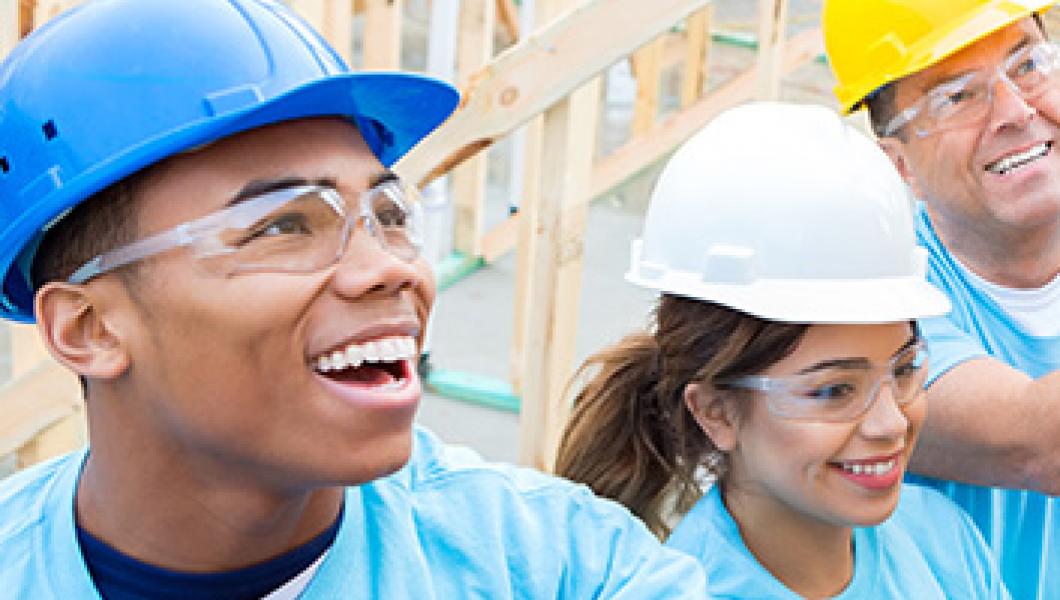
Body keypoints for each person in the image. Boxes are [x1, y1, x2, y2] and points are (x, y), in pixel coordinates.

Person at [0, 1, 708, 597]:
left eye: (391, 214)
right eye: (282, 225)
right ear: (88, 327)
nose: (387, 269)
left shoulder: (556, 569)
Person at [554, 102, 1007, 598]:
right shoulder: (681, 590)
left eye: (902, 371)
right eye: (834, 390)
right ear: (716, 412)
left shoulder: (941, 538)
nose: (892, 424)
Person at [822, 1, 1060, 597]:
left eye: (1028, 64)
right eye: (957, 97)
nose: (1014, 110)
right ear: (896, 162)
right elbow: (1040, 444)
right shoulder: (881, 308)